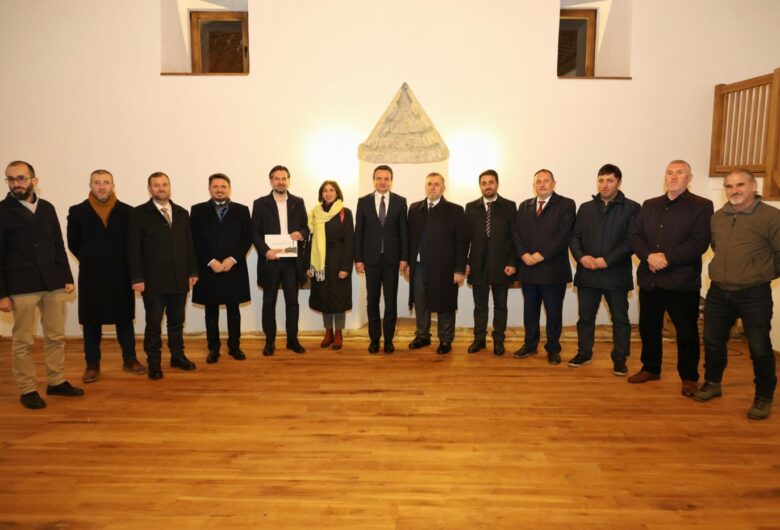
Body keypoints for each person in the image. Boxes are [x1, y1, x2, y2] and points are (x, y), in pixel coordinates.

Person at [693, 169, 780, 420]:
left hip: (754, 294)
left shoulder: (771, 217)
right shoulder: (718, 217)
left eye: (740, 185)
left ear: (753, 186)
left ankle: (763, 397)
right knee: (712, 341)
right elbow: (717, 247)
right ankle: (712, 383)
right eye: (729, 186)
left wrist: (760, 274)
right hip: (719, 292)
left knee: (759, 347)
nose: (734, 190)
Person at [0, 160, 83, 409]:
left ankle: (56, 381)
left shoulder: (47, 208)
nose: (16, 183)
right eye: (11, 179)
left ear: (34, 181)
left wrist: (67, 277)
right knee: (23, 341)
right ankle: (27, 389)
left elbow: (58, 244)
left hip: (53, 283)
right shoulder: (2, 211)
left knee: (55, 336)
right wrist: (2, 294)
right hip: (21, 286)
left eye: (21, 178)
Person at [629, 160, 713, 396]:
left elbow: (699, 242)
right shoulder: (650, 205)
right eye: (669, 173)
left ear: (689, 178)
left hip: (681, 280)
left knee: (686, 332)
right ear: (664, 177)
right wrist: (649, 256)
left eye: (680, 173)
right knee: (648, 327)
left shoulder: (702, 206)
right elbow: (635, 236)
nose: (674, 177)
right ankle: (650, 368)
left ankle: (689, 377)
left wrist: (666, 258)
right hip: (651, 278)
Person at [67, 169, 145, 383]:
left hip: (121, 275)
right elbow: (74, 243)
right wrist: (93, 259)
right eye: (97, 182)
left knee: (124, 319)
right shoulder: (77, 211)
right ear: (90, 185)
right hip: (91, 276)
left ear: (113, 186)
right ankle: (92, 364)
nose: (102, 186)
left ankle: (130, 359)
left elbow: (133, 244)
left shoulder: (128, 212)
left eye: (106, 182)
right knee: (91, 322)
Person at [569, 164, 640, 375]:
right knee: (585, 318)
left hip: (615, 275)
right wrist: (582, 257)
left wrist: (606, 261)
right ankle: (584, 353)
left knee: (620, 319)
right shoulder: (585, 208)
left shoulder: (632, 208)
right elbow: (574, 237)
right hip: (588, 273)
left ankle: (620, 358)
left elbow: (631, 241)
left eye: (610, 180)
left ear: (619, 182)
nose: (604, 185)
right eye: (601, 180)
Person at [128, 172, 199, 380]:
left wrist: (193, 271)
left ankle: (177, 356)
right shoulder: (138, 214)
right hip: (153, 282)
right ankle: (154, 363)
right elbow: (133, 249)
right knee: (153, 325)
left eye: (164, 184)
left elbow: (190, 244)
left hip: (179, 279)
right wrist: (136, 278)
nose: (161, 188)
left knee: (177, 323)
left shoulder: (182, 213)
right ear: (149, 189)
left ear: (169, 187)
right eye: (156, 185)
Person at [512, 169, 576, 365]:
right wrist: (523, 254)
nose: (541, 184)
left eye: (546, 181)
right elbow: (516, 233)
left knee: (553, 313)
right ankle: (530, 345)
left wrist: (541, 255)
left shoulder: (566, 204)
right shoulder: (524, 206)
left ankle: (553, 348)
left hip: (552, 270)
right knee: (530, 312)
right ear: (534, 185)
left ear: (554, 183)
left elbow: (563, 235)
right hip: (529, 269)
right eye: (538, 181)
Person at [190, 173, 252, 364]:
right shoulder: (197, 210)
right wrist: (211, 261)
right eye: (215, 186)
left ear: (229, 189)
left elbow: (247, 238)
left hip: (234, 268)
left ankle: (235, 347)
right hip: (209, 268)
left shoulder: (242, 210)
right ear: (210, 189)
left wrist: (232, 259)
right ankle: (213, 348)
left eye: (223, 186)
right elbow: (194, 239)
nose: (219, 190)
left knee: (234, 311)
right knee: (211, 312)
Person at [406, 173, 467, 355]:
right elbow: (410, 240)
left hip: (444, 268)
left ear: (443, 188)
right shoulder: (414, 209)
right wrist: (408, 264)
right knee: (420, 303)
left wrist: (459, 269)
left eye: (437, 184)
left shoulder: (455, 210)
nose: (432, 187)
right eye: (429, 184)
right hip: (418, 267)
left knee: (445, 304)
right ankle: (422, 336)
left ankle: (446, 339)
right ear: (425, 187)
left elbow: (461, 242)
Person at [251, 165, 309, 356]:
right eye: (277, 178)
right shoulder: (260, 203)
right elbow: (255, 232)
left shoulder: (298, 202)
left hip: (292, 262)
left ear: (288, 180)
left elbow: (305, 227)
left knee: (292, 302)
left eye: (284, 178)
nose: (280, 182)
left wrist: (301, 234)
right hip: (270, 261)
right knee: (269, 303)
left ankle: (292, 340)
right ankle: (270, 341)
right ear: (271, 181)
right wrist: (265, 251)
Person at [354, 165, 408, 354]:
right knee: (372, 301)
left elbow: (404, 232)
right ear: (373, 180)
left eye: (386, 178)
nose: (383, 182)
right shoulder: (363, 202)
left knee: (391, 302)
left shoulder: (400, 201)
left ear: (391, 181)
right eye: (379, 178)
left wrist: (404, 257)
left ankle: (389, 340)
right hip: (371, 260)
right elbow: (359, 232)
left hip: (392, 260)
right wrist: (358, 259)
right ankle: (375, 339)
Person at [464, 169, 517, 356]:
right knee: (480, 306)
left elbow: (514, 238)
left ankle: (498, 341)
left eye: (491, 182)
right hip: (477, 265)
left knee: (500, 306)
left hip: (502, 265)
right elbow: (465, 238)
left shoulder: (509, 206)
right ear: (480, 186)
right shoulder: (471, 207)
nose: (488, 186)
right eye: (484, 183)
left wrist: (513, 262)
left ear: (497, 184)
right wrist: (465, 261)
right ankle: (479, 340)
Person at [307, 180, 354, 349]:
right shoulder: (315, 213)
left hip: (338, 261)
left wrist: (345, 267)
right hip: (319, 262)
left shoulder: (344, 213)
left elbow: (349, 241)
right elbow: (310, 240)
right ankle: (328, 332)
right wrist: (309, 266)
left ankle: (339, 332)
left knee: (339, 298)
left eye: (331, 190)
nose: (328, 193)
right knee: (324, 297)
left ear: (337, 193)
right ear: (321, 194)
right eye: (325, 190)